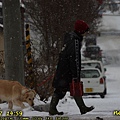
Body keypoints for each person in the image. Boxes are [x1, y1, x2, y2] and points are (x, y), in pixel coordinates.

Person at [49, 20, 94, 115]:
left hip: (63, 68)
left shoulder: (70, 38)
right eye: (85, 31)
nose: (86, 33)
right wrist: (76, 74)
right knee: (67, 88)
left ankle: (82, 108)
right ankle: (53, 108)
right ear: (81, 31)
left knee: (63, 88)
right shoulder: (75, 42)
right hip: (67, 70)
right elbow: (75, 59)